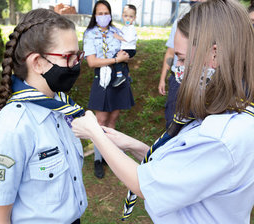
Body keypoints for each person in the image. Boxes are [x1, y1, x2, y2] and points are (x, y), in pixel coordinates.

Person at [72, 0, 254, 223]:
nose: (177, 67)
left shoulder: (219, 137)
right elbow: (183, 170)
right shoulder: (229, 115)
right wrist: (134, 145)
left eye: (183, 59)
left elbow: (145, 186)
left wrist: (95, 133)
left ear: (214, 55)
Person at [0, 8, 87, 224]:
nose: (76, 64)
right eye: (68, 56)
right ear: (37, 62)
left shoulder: (60, 109)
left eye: (78, 55)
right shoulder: (11, 129)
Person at [83, 0, 135, 179]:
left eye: (106, 13)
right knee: (101, 121)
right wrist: (115, 60)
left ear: (110, 14)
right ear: (95, 15)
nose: (103, 16)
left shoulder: (117, 31)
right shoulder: (90, 34)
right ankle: (98, 159)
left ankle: (109, 156)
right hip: (103, 79)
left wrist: (125, 57)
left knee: (113, 119)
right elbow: (91, 62)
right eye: (100, 13)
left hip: (119, 79)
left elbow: (128, 52)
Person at [158, 0, 202, 129]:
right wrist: (162, 78)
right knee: (173, 121)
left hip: (199, 80)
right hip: (177, 81)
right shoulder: (180, 22)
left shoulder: (215, 25)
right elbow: (171, 53)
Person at [112, 4, 138, 87]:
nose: (127, 18)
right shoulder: (125, 27)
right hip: (126, 48)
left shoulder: (131, 28)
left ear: (134, 18)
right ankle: (128, 76)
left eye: (130, 17)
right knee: (124, 62)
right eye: (125, 16)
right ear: (122, 16)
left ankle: (120, 76)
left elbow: (128, 39)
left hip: (129, 49)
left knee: (116, 58)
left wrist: (118, 37)